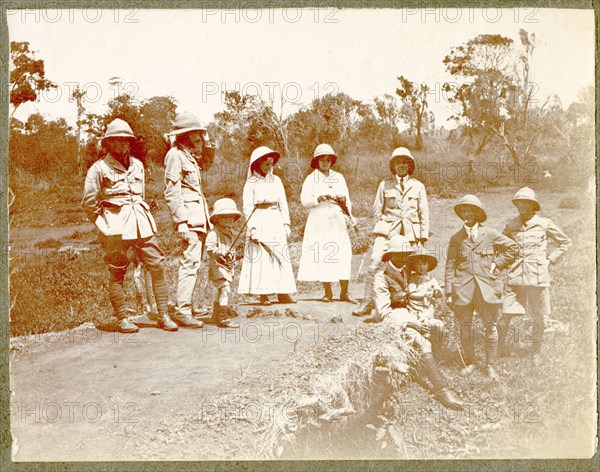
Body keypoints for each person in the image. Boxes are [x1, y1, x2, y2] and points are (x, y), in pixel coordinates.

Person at [82, 118, 178, 333]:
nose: (122, 145)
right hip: (114, 227)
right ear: (108, 144)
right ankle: (123, 318)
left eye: (126, 141)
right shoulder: (98, 169)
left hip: (141, 223)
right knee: (118, 272)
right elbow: (89, 203)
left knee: (157, 265)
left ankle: (163, 314)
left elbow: (140, 195)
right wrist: (103, 224)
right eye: (116, 141)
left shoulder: (137, 165)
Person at [373, 236, 463, 410]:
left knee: (438, 329)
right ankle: (442, 390)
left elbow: (423, 284)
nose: (406, 257)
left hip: (411, 314)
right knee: (424, 342)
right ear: (391, 255)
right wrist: (411, 323)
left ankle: (429, 366)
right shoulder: (381, 277)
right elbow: (383, 312)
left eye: (407, 254)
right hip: (396, 319)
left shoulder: (406, 270)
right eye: (401, 254)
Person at [444, 195, 518, 380]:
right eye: (463, 211)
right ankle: (471, 362)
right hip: (463, 290)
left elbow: (513, 248)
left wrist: (497, 264)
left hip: (487, 289)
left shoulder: (490, 234)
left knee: (490, 326)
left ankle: (490, 365)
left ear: (478, 213)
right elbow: (450, 265)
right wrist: (448, 292)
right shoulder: (456, 238)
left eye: (470, 210)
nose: (467, 214)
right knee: (465, 328)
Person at [498, 187, 572, 364]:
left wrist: (550, 260)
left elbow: (566, 242)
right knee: (506, 313)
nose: (521, 206)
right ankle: (499, 348)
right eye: (518, 203)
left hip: (538, 277)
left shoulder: (544, 223)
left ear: (533, 205)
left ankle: (535, 351)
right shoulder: (510, 225)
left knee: (538, 315)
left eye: (525, 203)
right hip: (515, 276)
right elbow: (500, 243)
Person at [353, 147, 429, 317]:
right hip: (388, 232)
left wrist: (422, 237)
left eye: (405, 162)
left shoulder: (418, 186)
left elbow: (424, 212)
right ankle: (367, 302)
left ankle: (411, 301)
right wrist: (382, 227)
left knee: (412, 266)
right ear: (393, 166)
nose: (402, 165)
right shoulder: (385, 185)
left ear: (410, 166)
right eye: (398, 162)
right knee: (374, 262)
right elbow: (376, 210)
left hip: (410, 233)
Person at [164, 111, 213, 328]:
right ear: (185, 135)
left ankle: (186, 305)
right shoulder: (175, 155)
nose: (199, 138)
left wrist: (209, 142)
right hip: (189, 219)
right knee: (190, 263)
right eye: (195, 134)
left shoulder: (189, 155)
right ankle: (182, 309)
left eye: (200, 134)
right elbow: (172, 191)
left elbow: (209, 163)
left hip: (199, 217)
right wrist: (181, 221)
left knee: (194, 263)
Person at [297, 144, 358, 303]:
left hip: (337, 219)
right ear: (316, 161)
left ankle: (344, 292)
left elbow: (347, 200)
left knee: (342, 253)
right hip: (320, 220)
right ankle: (328, 292)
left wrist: (348, 216)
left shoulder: (339, 177)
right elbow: (304, 201)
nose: (325, 163)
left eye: (328, 159)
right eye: (322, 160)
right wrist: (318, 198)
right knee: (325, 254)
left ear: (332, 160)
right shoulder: (311, 179)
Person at [237, 146, 297, 305]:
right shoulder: (251, 183)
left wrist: (286, 223)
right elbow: (248, 207)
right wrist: (253, 228)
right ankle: (264, 293)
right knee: (263, 257)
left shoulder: (276, 180)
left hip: (275, 220)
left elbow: (283, 203)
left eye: (271, 164)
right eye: (265, 164)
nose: (269, 167)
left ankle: (283, 292)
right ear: (257, 164)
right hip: (259, 220)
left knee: (280, 255)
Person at [205, 198, 242, 328]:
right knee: (226, 290)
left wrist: (232, 256)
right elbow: (209, 248)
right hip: (217, 266)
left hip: (227, 267)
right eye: (224, 217)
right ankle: (223, 318)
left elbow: (232, 249)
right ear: (216, 219)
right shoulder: (214, 233)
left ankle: (216, 315)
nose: (228, 219)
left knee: (221, 291)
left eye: (231, 217)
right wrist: (220, 252)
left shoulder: (231, 232)